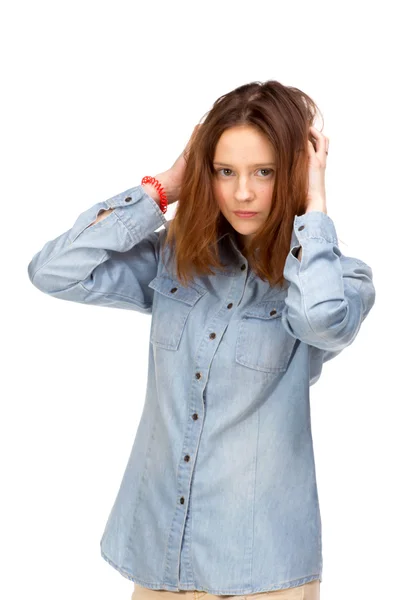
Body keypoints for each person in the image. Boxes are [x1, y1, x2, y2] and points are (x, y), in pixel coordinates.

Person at [27, 80, 376, 600]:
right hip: (162, 554)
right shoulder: (178, 260)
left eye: (265, 172)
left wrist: (315, 208)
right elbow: (54, 271)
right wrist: (163, 186)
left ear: (296, 173)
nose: (242, 192)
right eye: (225, 171)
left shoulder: (336, 278)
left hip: (262, 570)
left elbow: (323, 323)